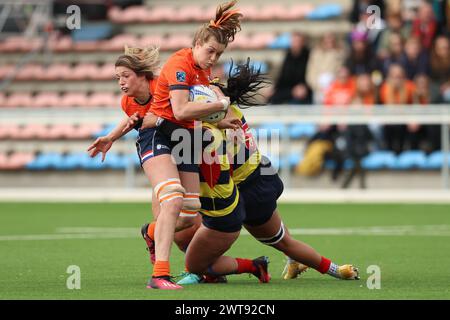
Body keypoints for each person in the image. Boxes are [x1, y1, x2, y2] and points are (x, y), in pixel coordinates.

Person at [136, 0, 244, 289]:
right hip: (158, 134)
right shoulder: (180, 65)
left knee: (189, 212)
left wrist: (222, 121)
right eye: (210, 51)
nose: (213, 58)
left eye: (218, 54)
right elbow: (182, 110)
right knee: (172, 198)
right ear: (197, 43)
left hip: (184, 137)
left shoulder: (203, 72)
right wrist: (219, 105)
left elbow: (192, 115)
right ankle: (159, 275)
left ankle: (150, 232)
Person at [269, 32, 312, 105]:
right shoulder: (288, 55)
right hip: (288, 90)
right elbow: (282, 76)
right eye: (293, 41)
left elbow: (310, 75)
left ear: (303, 43)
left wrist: (304, 87)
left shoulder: (308, 55)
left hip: (302, 90)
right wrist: (273, 88)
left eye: (298, 41)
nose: (295, 44)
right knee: (272, 98)